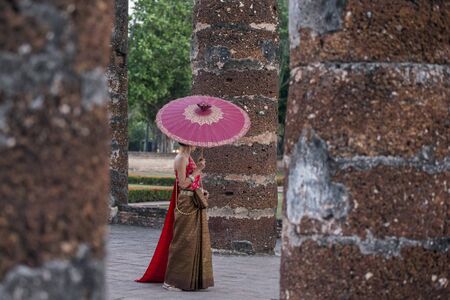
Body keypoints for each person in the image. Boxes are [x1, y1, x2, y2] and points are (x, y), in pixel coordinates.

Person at [136, 142, 214, 291]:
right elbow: (183, 183)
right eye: (194, 140)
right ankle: (171, 281)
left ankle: (191, 279)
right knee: (182, 240)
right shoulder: (180, 159)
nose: (197, 143)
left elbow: (191, 183)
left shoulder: (189, 157)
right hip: (185, 203)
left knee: (193, 241)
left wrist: (201, 191)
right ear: (188, 141)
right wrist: (198, 170)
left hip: (194, 200)